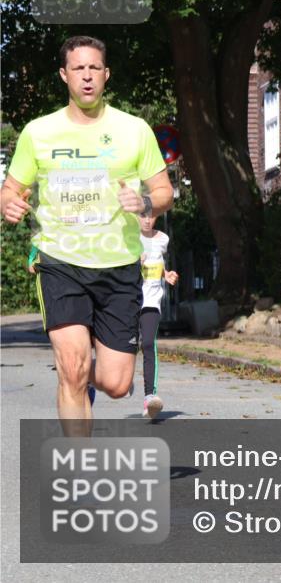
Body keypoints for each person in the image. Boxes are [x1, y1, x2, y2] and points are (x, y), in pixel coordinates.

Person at [1, 35, 172, 435]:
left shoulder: (134, 130)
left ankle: (77, 374)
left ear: (106, 74)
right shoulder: (38, 133)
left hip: (118, 266)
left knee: (116, 383)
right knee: (74, 370)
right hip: (60, 262)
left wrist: (146, 203)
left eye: (95, 68)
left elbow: (164, 191)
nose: (87, 77)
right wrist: (7, 202)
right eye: (79, 69)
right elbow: (10, 188)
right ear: (65, 75)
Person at [139, 214, 179, 420]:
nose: (147, 220)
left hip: (151, 302)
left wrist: (166, 274)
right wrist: (135, 263)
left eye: (151, 216)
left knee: (148, 344)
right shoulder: (128, 238)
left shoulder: (162, 239)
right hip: (128, 302)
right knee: (123, 348)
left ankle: (149, 398)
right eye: (142, 216)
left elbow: (159, 263)